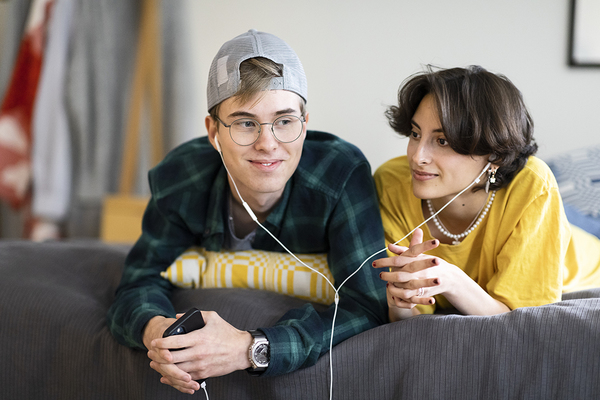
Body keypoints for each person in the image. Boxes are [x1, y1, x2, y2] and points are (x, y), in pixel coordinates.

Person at [107, 29, 387, 394]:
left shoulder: (340, 175)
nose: (267, 144)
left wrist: (251, 347)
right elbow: (138, 281)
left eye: (284, 121)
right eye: (244, 123)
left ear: (305, 124)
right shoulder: (181, 178)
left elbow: (368, 306)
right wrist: (156, 331)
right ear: (213, 132)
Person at [372, 65, 600, 322]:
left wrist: (454, 282)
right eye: (415, 134)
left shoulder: (533, 184)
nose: (417, 156)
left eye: (442, 141)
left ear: (495, 156)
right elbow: (410, 315)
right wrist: (401, 300)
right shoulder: (391, 182)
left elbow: (524, 319)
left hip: (586, 253)